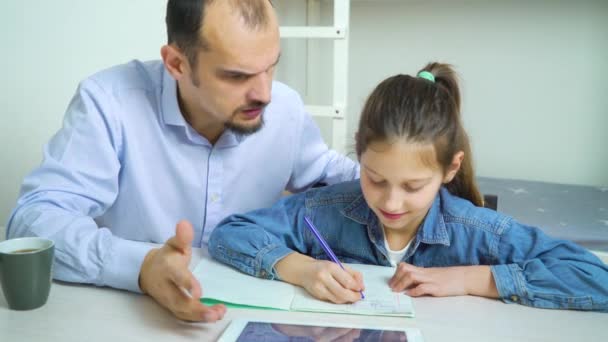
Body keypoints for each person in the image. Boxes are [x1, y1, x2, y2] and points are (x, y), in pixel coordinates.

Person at [6, 0, 358, 322]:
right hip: (128, 319)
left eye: (271, 67)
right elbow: (32, 222)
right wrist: (141, 267)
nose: (264, 94)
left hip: (255, 321)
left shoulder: (285, 108)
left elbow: (350, 181)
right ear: (176, 63)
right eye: (237, 76)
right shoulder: (108, 103)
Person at [209, 62, 608, 311]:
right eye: (375, 178)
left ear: (451, 169)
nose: (391, 201)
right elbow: (230, 233)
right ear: (359, 155)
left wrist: (471, 279)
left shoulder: (476, 231)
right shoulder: (326, 209)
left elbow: (594, 279)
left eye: (414, 186)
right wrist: (302, 268)